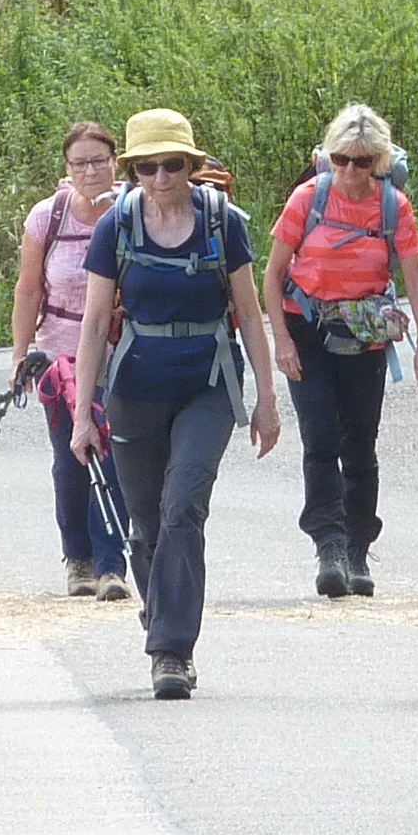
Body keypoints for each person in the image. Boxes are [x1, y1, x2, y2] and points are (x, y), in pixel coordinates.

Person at [70, 109, 281, 700]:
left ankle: (171, 651)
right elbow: (93, 325)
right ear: (132, 171)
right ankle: (163, 612)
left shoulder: (222, 223)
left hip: (206, 386)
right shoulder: (116, 227)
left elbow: (250, 315)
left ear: (192, 166)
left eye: (172, 165)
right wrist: (82, 414)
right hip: (134, 387)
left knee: (183, 506)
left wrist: (268, 400)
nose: (161, 177)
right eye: (147, 167)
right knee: (146, 525)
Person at [262, 104, 418, 598]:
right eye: (341, 159)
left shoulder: (393, 206)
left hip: (365, 335)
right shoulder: (308, 198)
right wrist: (282, 341)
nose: (350, 171)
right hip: (307, 329)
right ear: (329, 157)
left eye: (362, 162)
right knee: (320, 438)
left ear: (379, 162)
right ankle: (329, 547)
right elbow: (272, 275)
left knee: (360, 443)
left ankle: (358, 548)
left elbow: (415, 280)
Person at [10, 122, 132, 602]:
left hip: (120, 352)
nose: (90, 171)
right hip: (59, 356)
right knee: (70, 460)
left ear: (115, 162)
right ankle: (78, 558)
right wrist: (20, 355)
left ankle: (111, 565)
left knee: (116, 457)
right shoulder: (48, 217)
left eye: (99, 161)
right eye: (79, 163)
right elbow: (29, 290)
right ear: (66, 168)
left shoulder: (132, 211)